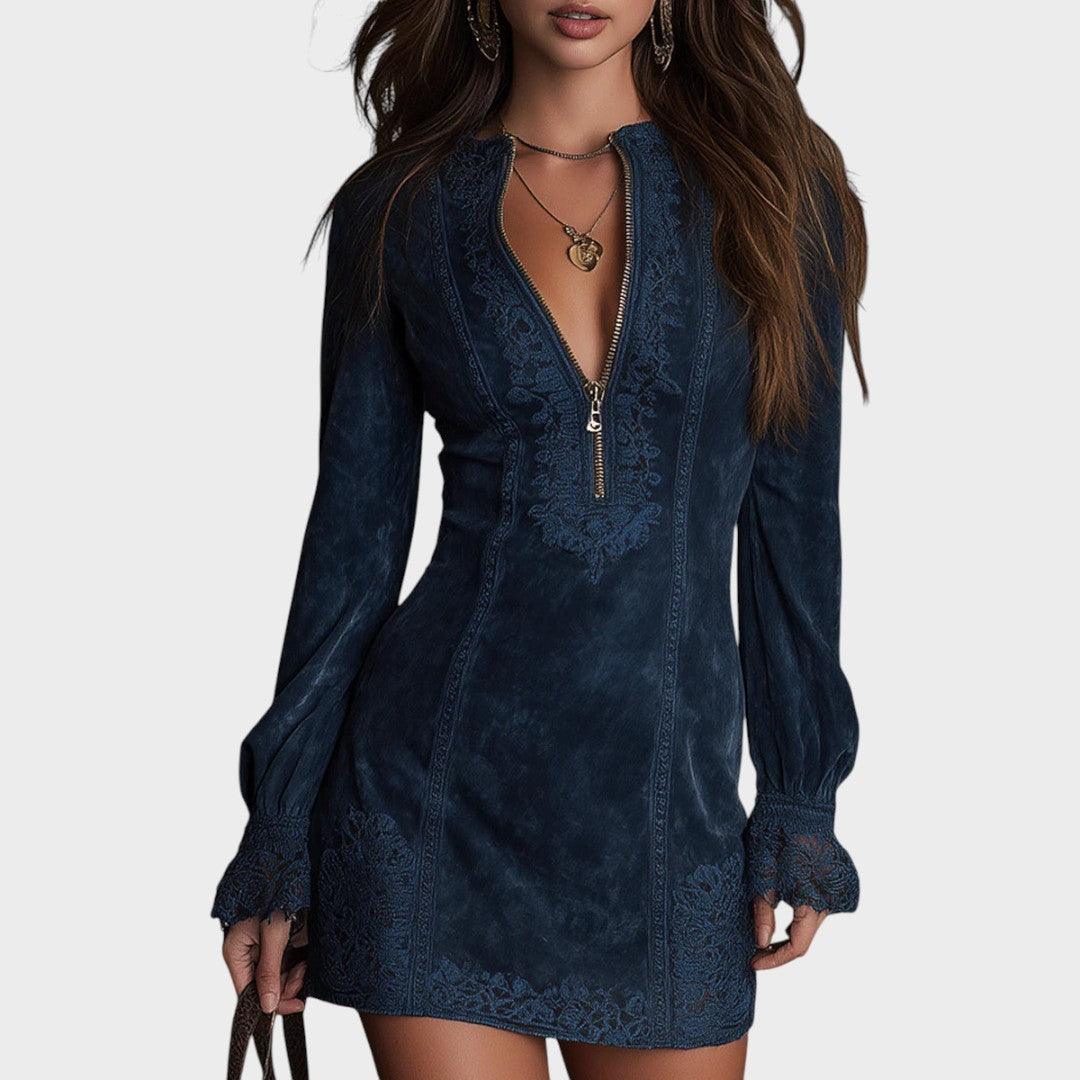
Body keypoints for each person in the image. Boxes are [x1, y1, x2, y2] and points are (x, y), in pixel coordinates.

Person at [211, 2, 868, 1077]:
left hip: (669, 830)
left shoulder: (778, 196)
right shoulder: (403, 207)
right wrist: (279, 826)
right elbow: (352, 541)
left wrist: (802, 793)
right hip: (426, 813)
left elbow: (795, 528)